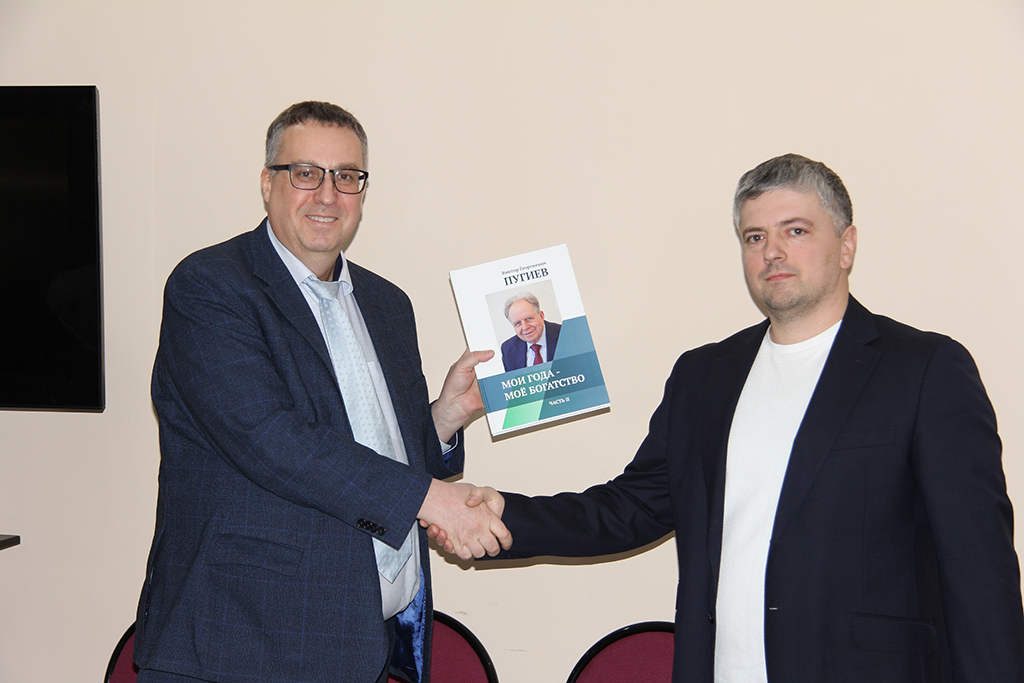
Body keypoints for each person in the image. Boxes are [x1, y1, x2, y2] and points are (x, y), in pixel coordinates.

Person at [439, 154, 1024, 681]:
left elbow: (981, 572)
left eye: (796, 230)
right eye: (755, 236)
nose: (773, 252)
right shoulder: (704, 376)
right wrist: (500, 514)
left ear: (846, 245)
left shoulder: (925, 369)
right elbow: (629, 508)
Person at [133, 101, 510, 683]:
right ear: (268, 183)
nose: (328, 195)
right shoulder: (210, 287)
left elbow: (371, 450)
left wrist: (443, 417)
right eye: (306, 173)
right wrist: (431, 500)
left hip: (362, 642)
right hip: (240, 648)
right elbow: (270, 439)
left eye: (347, 176)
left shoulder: (387, 304)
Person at [499, 292, 561, 371]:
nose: (525, 327)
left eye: (529, 319)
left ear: (541, 316)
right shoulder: (508, 349)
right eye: (518, 323)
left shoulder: (564, 334)